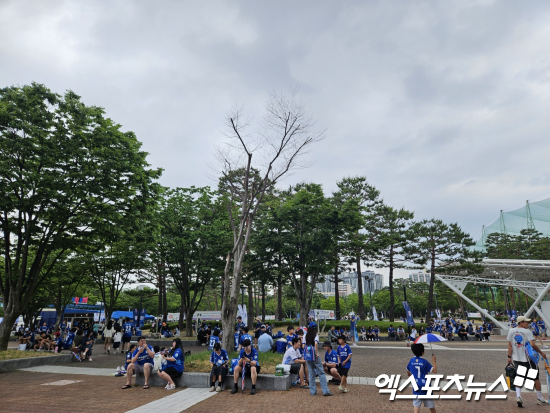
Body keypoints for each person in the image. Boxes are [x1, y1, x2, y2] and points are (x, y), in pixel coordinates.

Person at [508, 316, 548, 407]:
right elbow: (532, 344)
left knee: (519, 377)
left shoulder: (511, 331)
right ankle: (539, 398)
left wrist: (509, 357)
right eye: (526, 322)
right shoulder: (527, 331)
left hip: (517, 358)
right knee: (535, 378)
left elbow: (510, 345)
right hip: (528, 359)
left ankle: (518, 396)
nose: (528, 324)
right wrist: (541, 352)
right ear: (521, 322)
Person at [407, 343, 437, 413]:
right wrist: (434, 360)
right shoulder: (424, 362)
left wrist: (409, 374)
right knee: (431, 406)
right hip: (426, 386)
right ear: (423, 352)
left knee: (416, 405)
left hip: (416, 385)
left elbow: (408, 370)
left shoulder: (411, 361)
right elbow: (435, 371)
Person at [304, 326, 331, 396]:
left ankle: (312, 391)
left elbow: (303, 345)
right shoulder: (315, 335)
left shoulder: (305, 335)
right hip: (314, 354)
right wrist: (316, 353)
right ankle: (325, 391)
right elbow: (316, 343)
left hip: (308, 355)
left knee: (311, 373)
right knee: (321, 373)